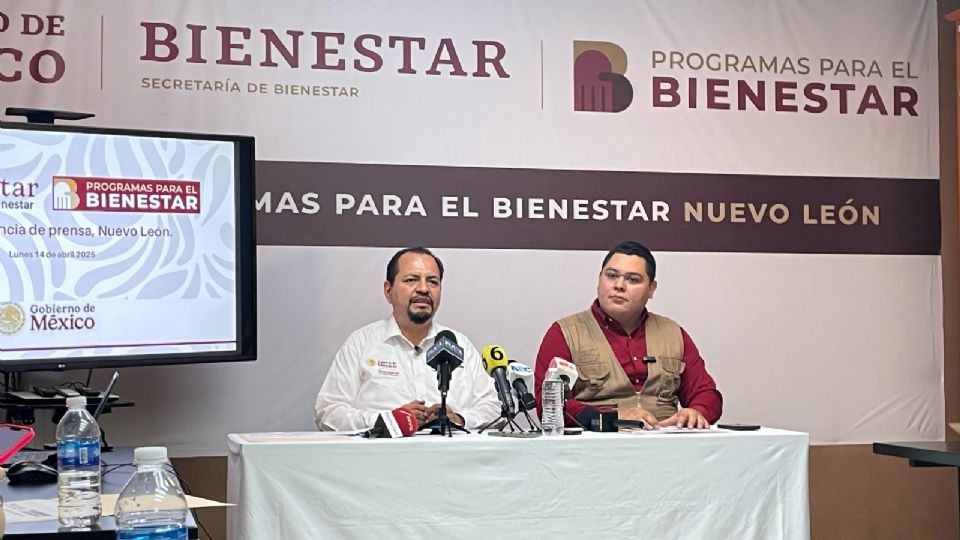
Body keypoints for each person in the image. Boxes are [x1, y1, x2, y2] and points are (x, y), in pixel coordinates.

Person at [534, 241, 722, 429]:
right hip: (600, 440)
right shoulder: (564, 333)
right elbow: (549, 405)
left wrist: (696, 412)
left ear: (651, 289)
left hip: (665, 439)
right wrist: (610, 417)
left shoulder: (673, 333)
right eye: (611, 276)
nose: (619, 285)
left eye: (633, 279)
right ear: (599, 280)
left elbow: (706, 393)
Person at [315, 247, 500, 431]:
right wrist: (388, 421)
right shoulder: (362, 342)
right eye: (411, 280)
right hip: (385, 449)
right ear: (388, 291)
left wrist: (459, 419)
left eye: (432, 282)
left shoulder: (459, 344)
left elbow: (494, 408)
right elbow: (328, 412)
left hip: (452, 449)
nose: (423, 289)